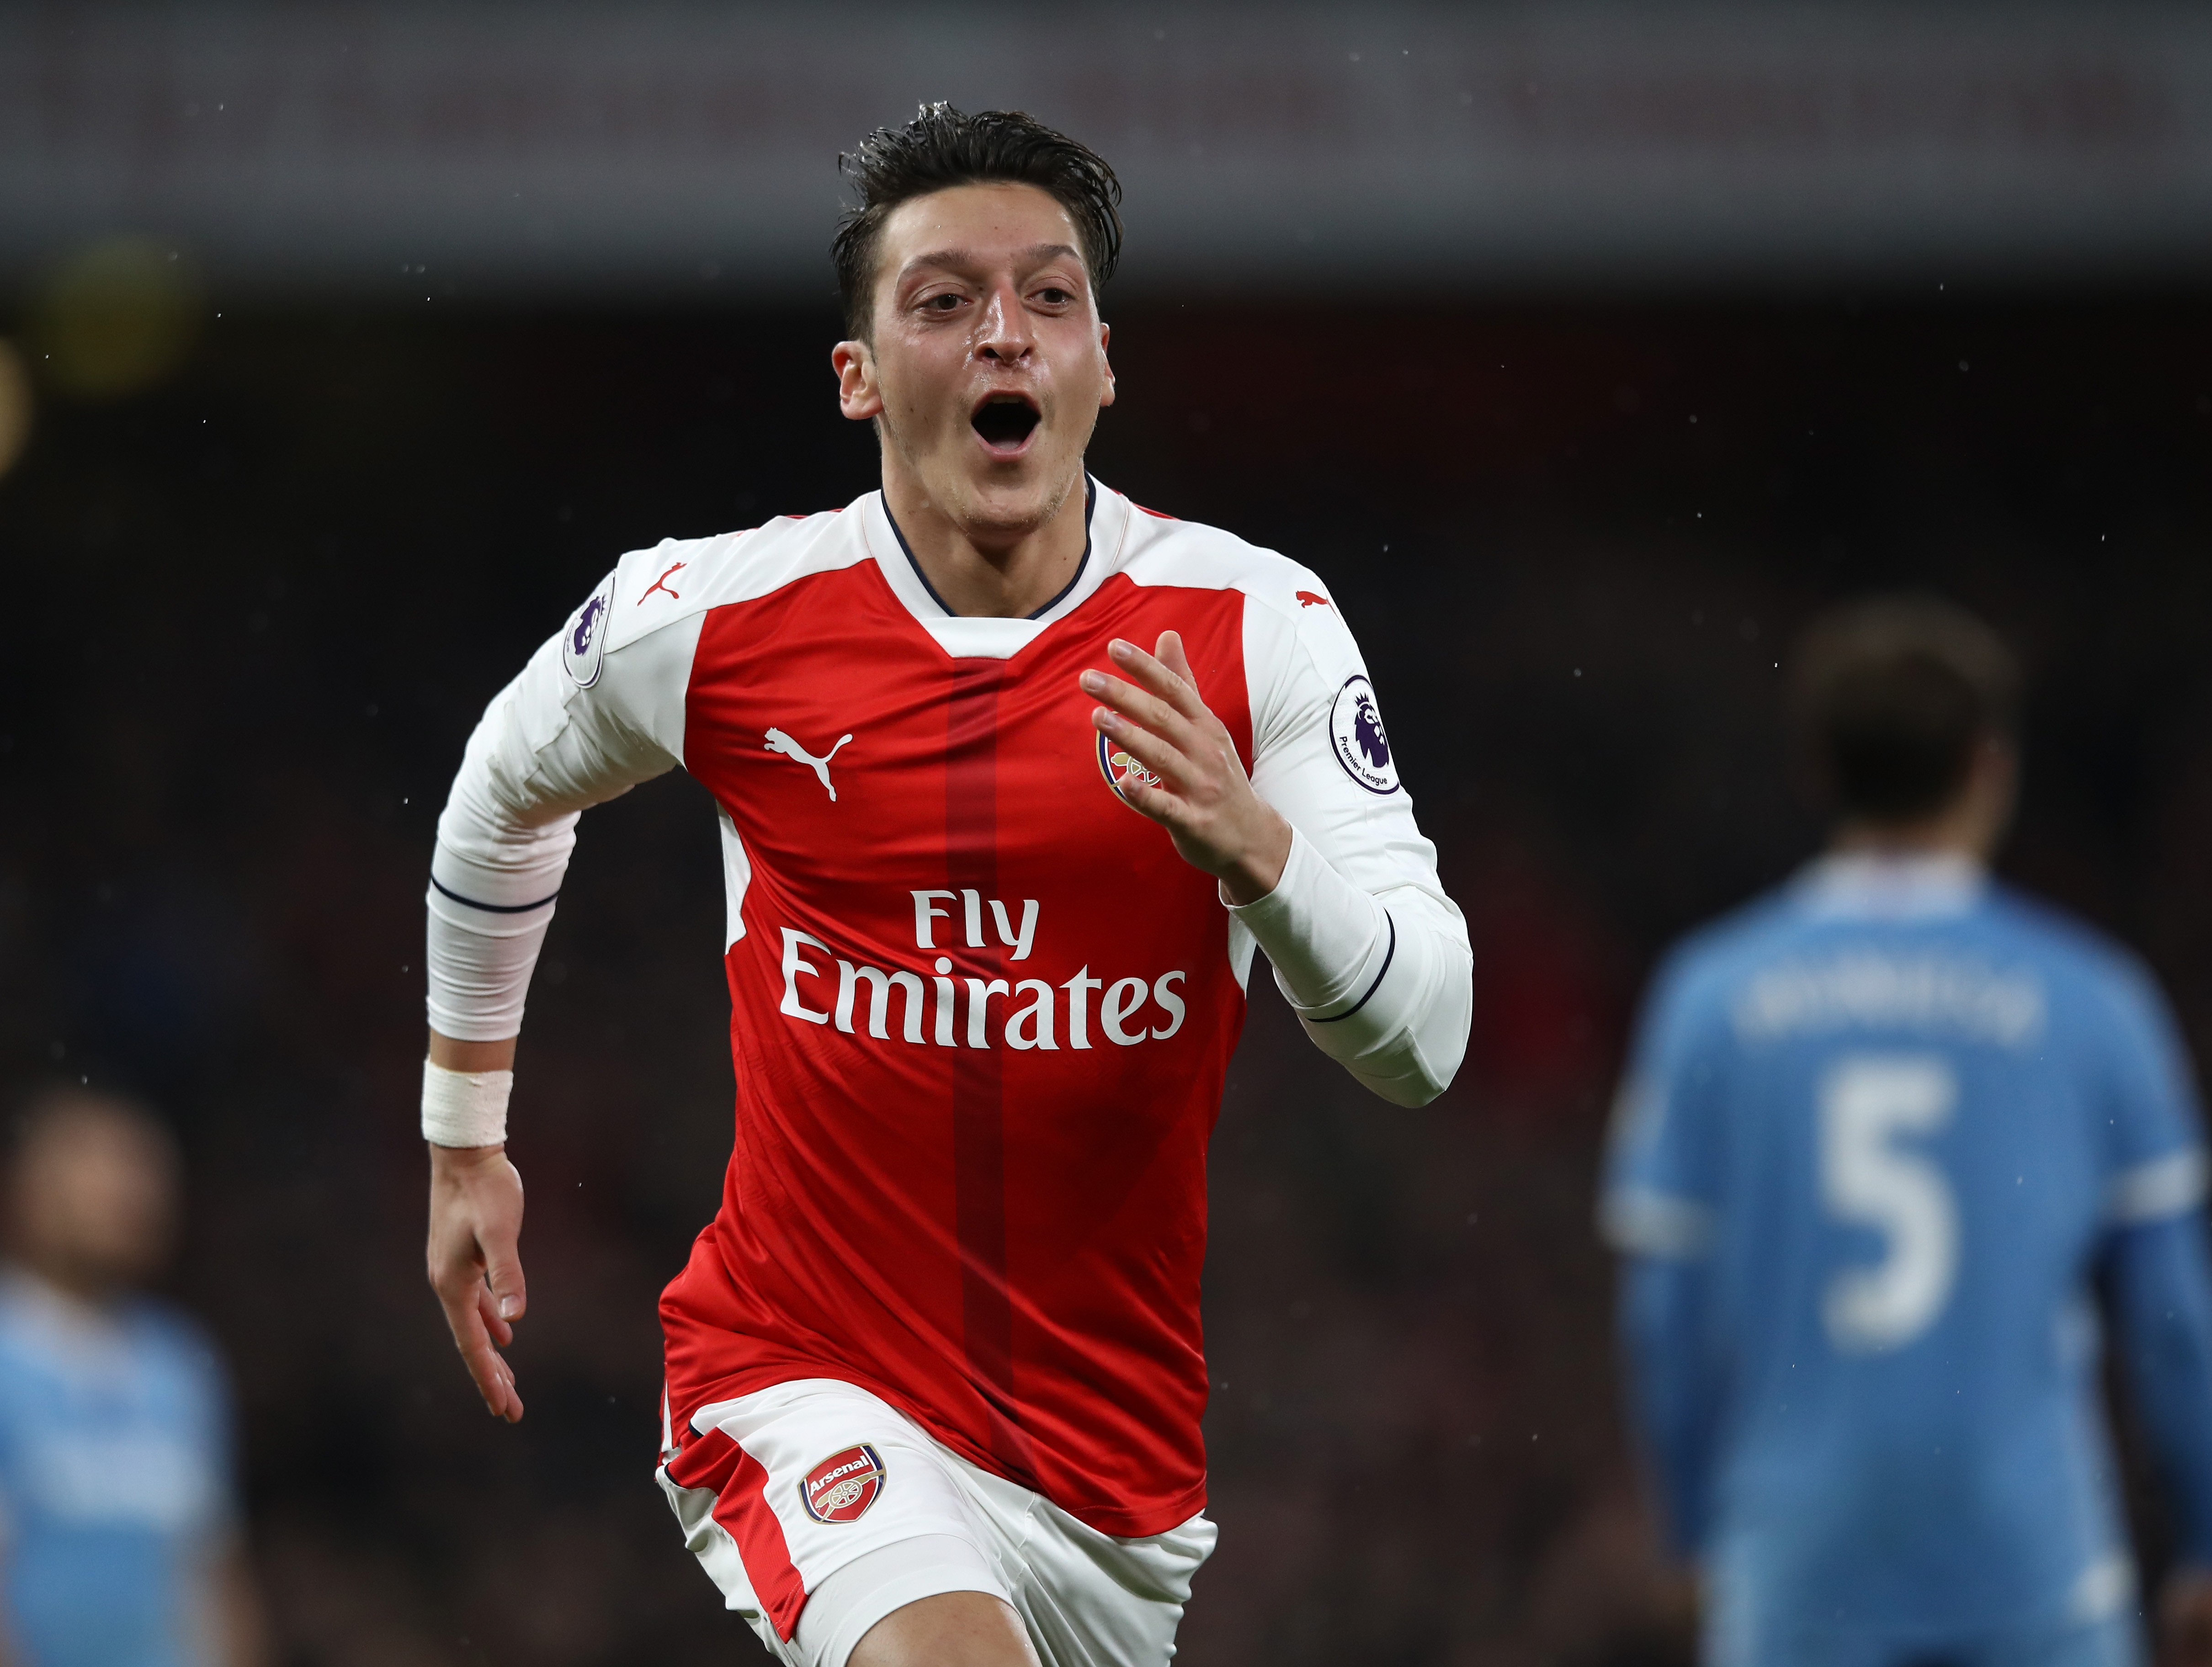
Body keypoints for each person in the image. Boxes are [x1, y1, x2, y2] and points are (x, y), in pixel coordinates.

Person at [417, 105, 1473, 1667]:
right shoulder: (712, 615)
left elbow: (1427, 1038)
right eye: (942, 301)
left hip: (1111, 1475)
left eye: (1049, 298)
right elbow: (502, 789)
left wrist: (1258, 851)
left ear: (1102, 363)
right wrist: (462, 1134)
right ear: (857, 377)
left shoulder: (1257, 629)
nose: (1003, 334)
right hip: (795, 1367)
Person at [1601, 595, 2212, 1667]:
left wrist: (1688, 1535)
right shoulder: (2093, 1002)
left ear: (1816, 772)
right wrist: (2203, 1540)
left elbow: (1664, 1313)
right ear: (1989, 765)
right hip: (2032, 1567)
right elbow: (2169, 1320)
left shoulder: (1709, 998)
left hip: (1801, 1561)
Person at [0, 1085, 267, 1667]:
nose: (130, 1188)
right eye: (95, 1159)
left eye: (146, 1166)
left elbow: (212, 1578)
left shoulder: (181, 1364)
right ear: (11, 1188)